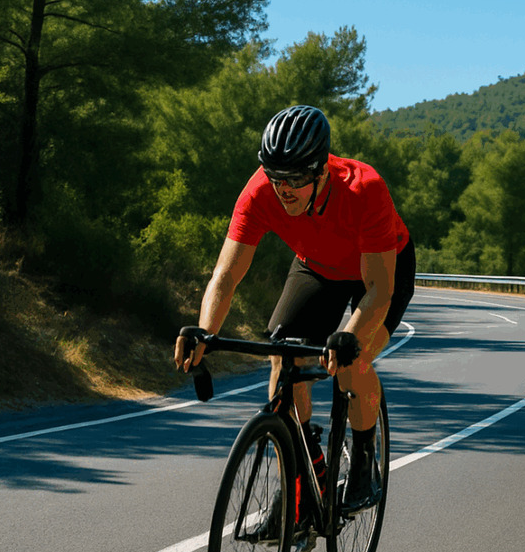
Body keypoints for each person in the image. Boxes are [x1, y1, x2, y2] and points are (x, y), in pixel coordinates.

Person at [174, 104, 414, 514]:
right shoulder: (259, 191)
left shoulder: (364, 188)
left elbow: (379, 289)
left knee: (353, 364)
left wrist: (349, 337)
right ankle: (302, 475)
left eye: (297, 178)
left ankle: (361, 460)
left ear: (322, 170)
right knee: (283, 358)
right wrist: (203, 332)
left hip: (377, 267)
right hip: (317, 265)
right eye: (275, 176)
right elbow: (225, 276)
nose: (284, 189)